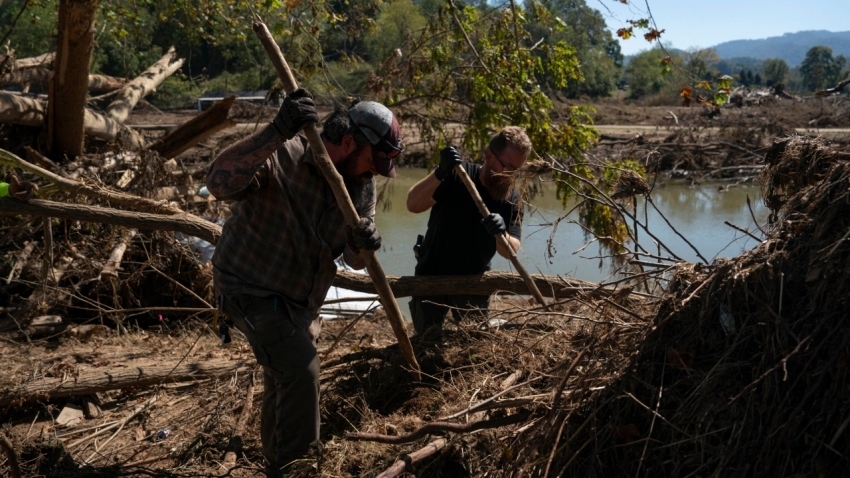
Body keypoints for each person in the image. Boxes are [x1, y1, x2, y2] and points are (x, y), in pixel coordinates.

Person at [205, 90, 403, 476]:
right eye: (372, 161)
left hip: (300, 302)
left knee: (284, 376)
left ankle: (275, 463)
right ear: (347, 142)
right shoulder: (285, 153)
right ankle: (298, 471)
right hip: (248, 287)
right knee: (301, 368)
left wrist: (364, 243)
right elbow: (217, 184)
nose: (375, 172)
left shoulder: (360, 184)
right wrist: (276, 130)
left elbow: (355, 260)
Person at [406, 126, 532, 337]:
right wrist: (440, 172)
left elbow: (511, 250)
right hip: (431, 275)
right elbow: (413, 204)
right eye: (507, 167)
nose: (511, 176)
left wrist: (501, 233)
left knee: (474, 343)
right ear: (489, 155)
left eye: (516, 171)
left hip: (474, 281)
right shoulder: (458, 175)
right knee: (426, 341)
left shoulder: (511, 199)